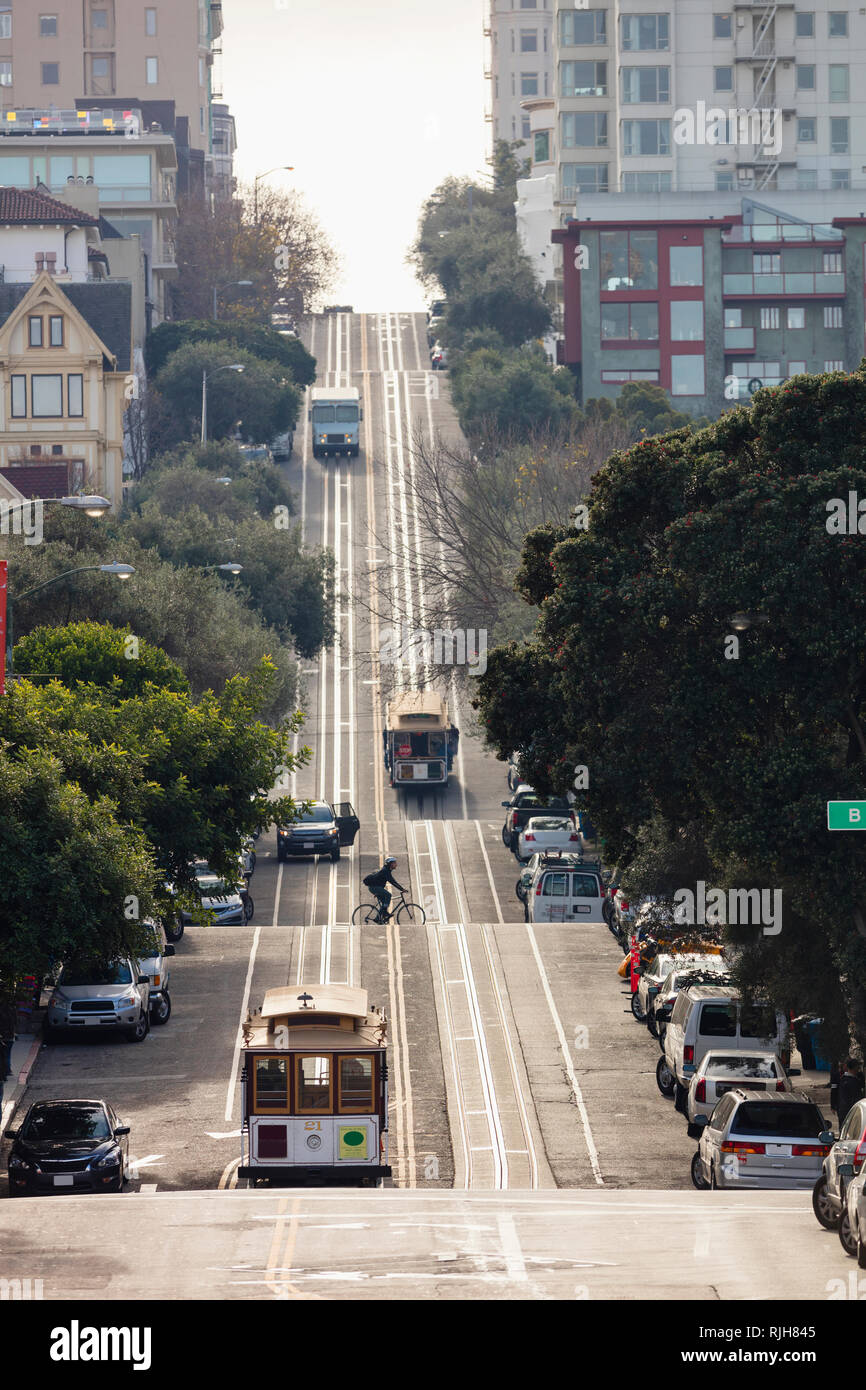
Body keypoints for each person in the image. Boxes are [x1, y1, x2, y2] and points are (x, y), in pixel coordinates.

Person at [363, 856, 406, 922]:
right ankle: (385, 913)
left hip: (375, 888)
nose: (396, 864)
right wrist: (402, 889)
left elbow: (381, 881)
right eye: (394, 863)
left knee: (384, 904)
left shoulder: (387, 870)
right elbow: (393, 882)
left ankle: (377, 918)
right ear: (390, 864)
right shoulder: (385, 871)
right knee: (388, 895)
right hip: (374, 888)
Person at [835, 1055, 865, 1128]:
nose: (858, 1069)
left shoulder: (844, 1079)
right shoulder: (851, 1082)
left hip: (844, 1111)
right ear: (854, 1068)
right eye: (857, 1067)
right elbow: (856, 1097)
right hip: (851, 1112)